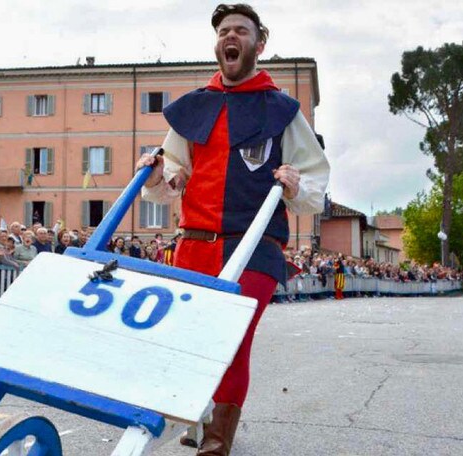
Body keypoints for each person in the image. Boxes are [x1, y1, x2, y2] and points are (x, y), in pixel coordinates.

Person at [137, 4, 329, 454]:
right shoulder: (195, 107)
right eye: (225, 31)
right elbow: (174, 173)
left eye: (242, 31)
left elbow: (314, 178)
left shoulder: (282, 110)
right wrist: (159, 174)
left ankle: (216, 442)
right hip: (194, 244)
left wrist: (296, 183)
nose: (231, 37)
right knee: (192, 339)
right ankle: (199, 416)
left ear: (259, 44)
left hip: (255, 247)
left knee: (232, 339)